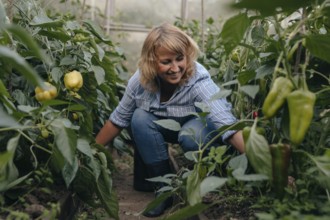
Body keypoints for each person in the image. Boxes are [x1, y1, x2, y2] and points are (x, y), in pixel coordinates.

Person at [95, 22, 245, 218]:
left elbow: (227, 124)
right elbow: (117, 120)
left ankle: (206, 184)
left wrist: (267, 163)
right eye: (166, 62)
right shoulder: (140, 82)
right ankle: (164, 188)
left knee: (190, 137)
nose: (175, 68)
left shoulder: (198, 80)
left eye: (180, 59)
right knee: (139, 117)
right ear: (151, 61)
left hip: (197, 128)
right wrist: (90, 152)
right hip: (164, 128)